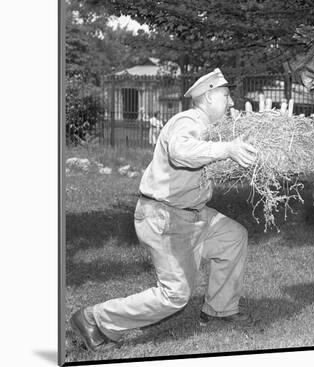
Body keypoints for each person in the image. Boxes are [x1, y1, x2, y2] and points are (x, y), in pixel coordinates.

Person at [70, 68, 258, 351]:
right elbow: (181, 152)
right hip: (164, 218)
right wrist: (227, 149)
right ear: (208, 97)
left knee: (233, 236)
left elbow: (204, 162)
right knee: (175, 296)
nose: (230, 102)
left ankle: (219, 311)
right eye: (226, 96)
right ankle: (95, 318)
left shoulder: (209, 129)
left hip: (193, 214)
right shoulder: (187, 122)